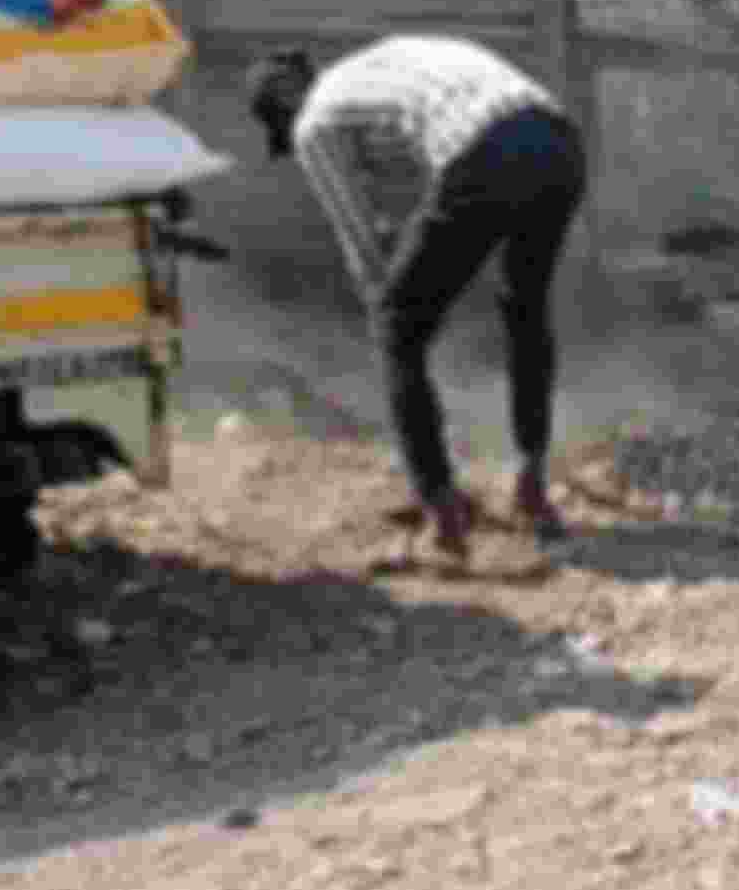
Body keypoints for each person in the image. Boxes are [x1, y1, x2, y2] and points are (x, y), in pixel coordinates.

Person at [249, 37, 589, 561]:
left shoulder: (313, 121)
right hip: (559, 141)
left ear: (284, 103)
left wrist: (391, 308)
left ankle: (443, 512)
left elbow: (364, 243)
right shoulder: (381, 65)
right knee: (524, 309)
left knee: (396, 328)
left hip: (486, 149)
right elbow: (435, 195)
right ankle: (532, 485)